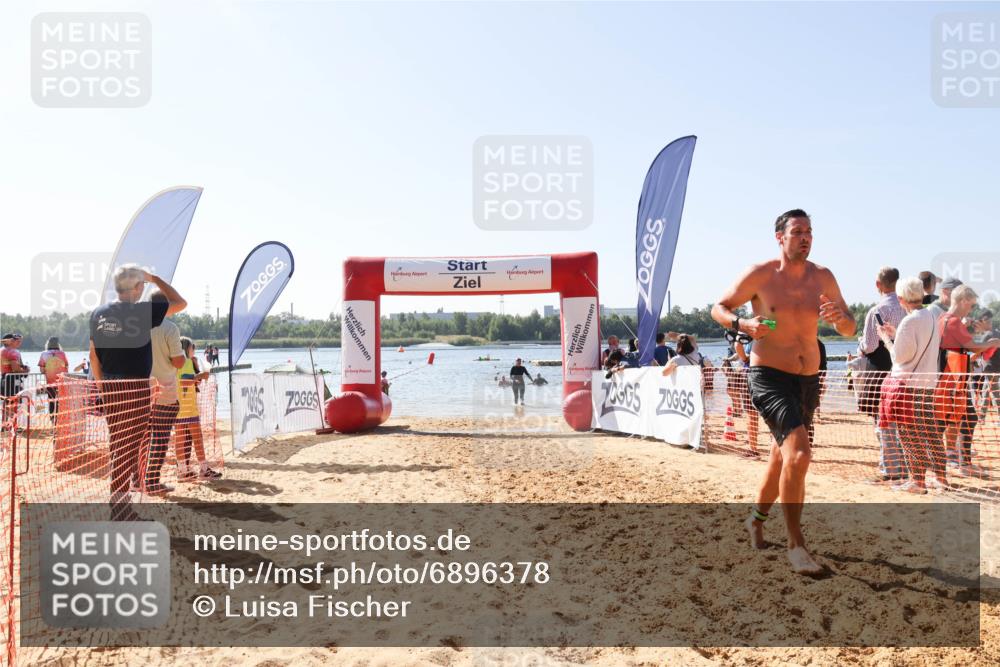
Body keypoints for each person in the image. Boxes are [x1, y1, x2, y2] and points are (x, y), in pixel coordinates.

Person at [711, 209, 855, 575]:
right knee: (800, 454)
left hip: (807, 379)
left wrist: (841, 320)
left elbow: (849, 329)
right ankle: (796, 545)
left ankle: (756, 520)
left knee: (782, 457)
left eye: (809, 232)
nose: (805, 237)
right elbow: (719, 308)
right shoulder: (760, 275)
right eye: (797, 231)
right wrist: (743, 323)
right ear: (780, 237)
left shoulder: (822, 277)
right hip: (769, 376)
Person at [90, 265, 186, 520]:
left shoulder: (98, 313)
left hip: (111, 386)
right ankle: (120, 511)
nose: (144, 288)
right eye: (142, 284)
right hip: (134, 388)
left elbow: (93, 356)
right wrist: (155, 278)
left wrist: (102, 387)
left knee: (118, 447)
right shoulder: (142, 312)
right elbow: (180, 302)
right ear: (136, 287)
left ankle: (120, 508)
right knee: (129, 449)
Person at [876, 276, 946, 494]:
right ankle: (941, 478)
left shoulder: (910, 320)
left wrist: (886, 340)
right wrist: (897, 334)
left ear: (900, 299)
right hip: (928, 383)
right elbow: (919, 344)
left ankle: (918, 481)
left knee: (909, 433)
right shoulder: (931, 315)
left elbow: (900, 357)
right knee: (931, 431)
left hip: (908, 385)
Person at [937, 285, 1000, 478]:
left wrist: (970, 328)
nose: (971, 309)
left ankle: (951, 463)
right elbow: (972, 346)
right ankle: (959, 464)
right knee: (958, 419)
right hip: (956, 378)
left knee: (951, 419)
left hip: (946, 377)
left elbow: (961, 343)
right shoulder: (954, 321)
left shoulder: (943, 319)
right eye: (971, 305)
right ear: (963, 301)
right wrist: (994, 342)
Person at [857, 267, 907, 483]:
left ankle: (890, 468)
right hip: (905, 368)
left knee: (882, 421)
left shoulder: (876, 311)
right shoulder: (907, 308)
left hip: (880, 371)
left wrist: (860, 343)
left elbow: (869, 346)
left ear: (878, 285)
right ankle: (902, 465)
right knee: (903, 420)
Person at [144, 292, 186, 495]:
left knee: (141, 439)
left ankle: (137, 480)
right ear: (166, 308)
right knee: (160, 439)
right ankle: (152, 481)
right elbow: (178, 361)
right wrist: (183, 357)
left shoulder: (137, 327)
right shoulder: (170, 328)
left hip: (141, 391)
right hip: (165, 391)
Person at [175, 337, 222, 481]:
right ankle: (183, 470)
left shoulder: (191, 361)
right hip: (181, 406)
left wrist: (199, 376)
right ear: (185, 348)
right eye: (192, 347)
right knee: (181, 438)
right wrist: (199, 376)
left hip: (191, 405)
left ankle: (203, 468)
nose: (194, 350)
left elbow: (192, 380)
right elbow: (182, 380)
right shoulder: (179, 362)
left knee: (197, 437)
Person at [37, 337, 69, 422]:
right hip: (61, 382)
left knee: (51, 401)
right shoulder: (62, 354)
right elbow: (66, 367)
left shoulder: (44, 354)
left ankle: (52, 420)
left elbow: (42, 370)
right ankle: (60, 421)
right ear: (58, 344)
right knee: (61, 402)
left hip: (50, 382)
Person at [1, 333, 28, 424]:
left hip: (4, 377)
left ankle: (4, 424)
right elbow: (15, 368)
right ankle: (13, 425)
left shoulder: (1, 350)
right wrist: (25, 371)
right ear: (10, 341)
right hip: (13, 379)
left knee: (6, 401)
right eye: (15, 340)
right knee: (14, 402)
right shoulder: (13, 352)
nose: (18, 343)